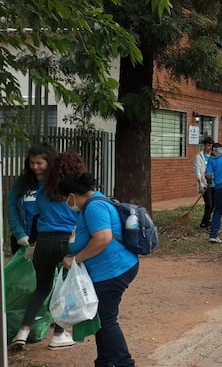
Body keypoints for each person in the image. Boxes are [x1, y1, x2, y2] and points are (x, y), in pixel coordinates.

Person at [57, 171, 140, 366]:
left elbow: (103, 238)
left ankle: (125, 363)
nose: (65, 204)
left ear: (72, 196)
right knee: (102, 320)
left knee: (106, 319)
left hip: (113, 270)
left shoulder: (94, 206)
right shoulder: (95, 202)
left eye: (64, 199)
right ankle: (103, 362)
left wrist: (76, 259)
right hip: (111, 269)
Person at [12, 150, 83, 351]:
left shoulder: (42, 191)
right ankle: (59, 334)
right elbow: (80, 220)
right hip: (66, 242)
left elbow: (34, 219)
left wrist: (32, 244)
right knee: (64, 290)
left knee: (41, 289)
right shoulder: (73, 193)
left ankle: (23, 332)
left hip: (43, 242)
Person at [7, 143, 56, 255]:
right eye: (32, 163)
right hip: (23, 239)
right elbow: (11, 207)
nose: (34, 167)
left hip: (46, 239)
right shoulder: (22, 183)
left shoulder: (56, 184)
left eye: (39, 163)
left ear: (49, 163)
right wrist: (19, 234)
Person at [194, 136, 215, 229]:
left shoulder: (214, 156)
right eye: (208, 145)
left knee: (213, 204)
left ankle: (204, 222)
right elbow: (197, 171)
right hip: (205, 185)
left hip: (214, 183)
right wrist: (200, 182)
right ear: (204, 145)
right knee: (209, 204)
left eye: (211, 146)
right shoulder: (199, 157)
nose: (209, 148)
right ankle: (207, 221)